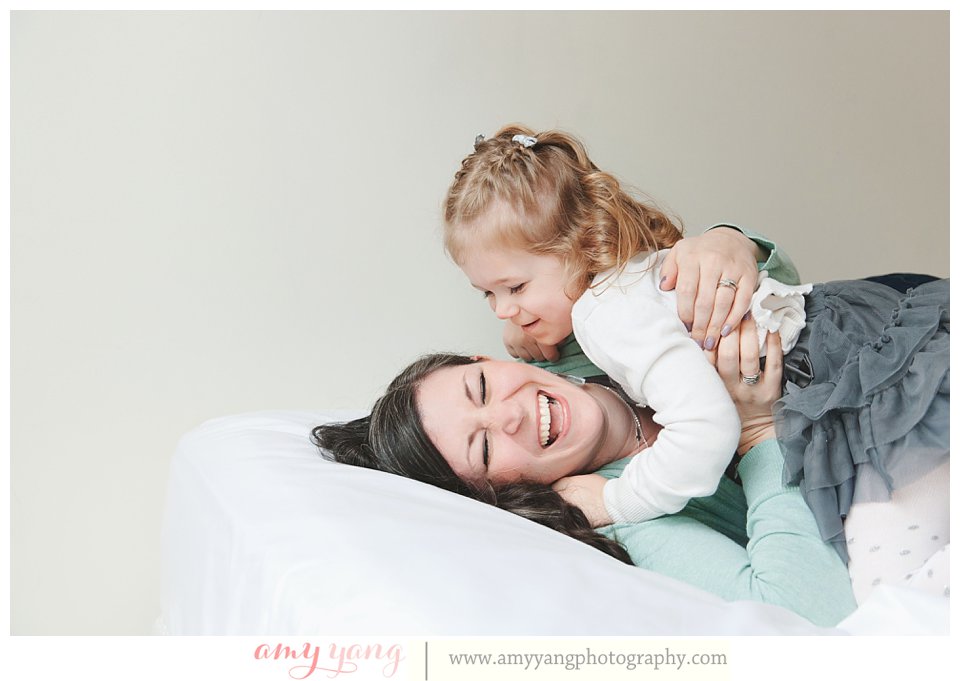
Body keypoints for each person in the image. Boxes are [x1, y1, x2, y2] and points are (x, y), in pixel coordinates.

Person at [440, 125, 949, 583]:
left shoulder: (604, 317)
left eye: (515, 287)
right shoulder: (614, 293)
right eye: (488, 294)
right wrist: (528, 317)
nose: (504, 312)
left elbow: (707, 426)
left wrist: (618, 499)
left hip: (858, 383)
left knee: (888, 575)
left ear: (578, 245)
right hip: (877, 328)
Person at [312, 320, 858, 627]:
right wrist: (760, 434)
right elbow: (805, 611)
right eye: (483, 449)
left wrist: (732, 242)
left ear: (489, 358)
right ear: (497, 492)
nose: (508, 413)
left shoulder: (589, 336)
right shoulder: (630, 515)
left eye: (481, 387)